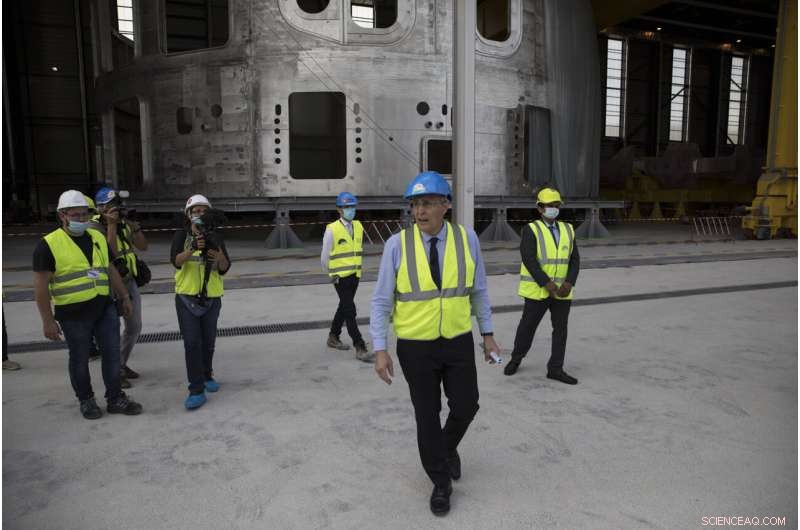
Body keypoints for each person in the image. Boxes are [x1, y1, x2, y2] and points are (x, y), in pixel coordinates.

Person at [371, 171, 500, 516]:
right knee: (427, 414)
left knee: (466, 405)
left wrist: (486, 334)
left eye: (427, 203)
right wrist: (380, 348)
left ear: (446, 205)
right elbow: (382, 300)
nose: (420, 211)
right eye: (415, 204)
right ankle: (440, 482)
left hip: (457, 340)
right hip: (415, 346)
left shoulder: (466, 238)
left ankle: (444, 448)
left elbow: (479, 289)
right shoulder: (397, 245)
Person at [32, 190, 143, 419]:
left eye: (84, 214)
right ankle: (86, 400)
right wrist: (47, 320)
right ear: (62, 215)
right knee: (79, 358)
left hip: (104, 307)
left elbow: (109, 269)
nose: (81, 219)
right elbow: (41, 287)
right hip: (73, 314)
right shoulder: (48, 245)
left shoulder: (97, 237)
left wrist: (124, 297)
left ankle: (115, 398)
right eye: (75, 215)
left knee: (112, 356)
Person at [503, 187, 580, 384]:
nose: (554, 209)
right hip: (538, 291)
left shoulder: (568, 230)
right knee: (527, 327)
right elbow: (529, 260)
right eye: (549, 206)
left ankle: (555, 368)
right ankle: (516, 358)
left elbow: (574, 260)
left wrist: (569, 283)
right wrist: (547, 284)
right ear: (539, 208)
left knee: (560, 330)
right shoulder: (531, 230)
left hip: (562, 292)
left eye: (556, 205)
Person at [171, 194, 231, 410]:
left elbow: (224, 267)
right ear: (188, 214)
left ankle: (207, 375)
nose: (199, 214)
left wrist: (218, 256)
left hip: (212, 296)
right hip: (187, 296)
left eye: (203, 210)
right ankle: (196, 389)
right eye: (195, 211)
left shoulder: (217, 237)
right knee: (192, 343)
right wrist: (192, 249)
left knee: (208, 341)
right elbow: (175, 262)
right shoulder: (182, 235)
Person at [91, 187, 148, 388]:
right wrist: (111, 226)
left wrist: (135, 226)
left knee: (134, 326)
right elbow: (109, 254)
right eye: (111, 206)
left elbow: (143, 246)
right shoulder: (94, 227)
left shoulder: (124, 224)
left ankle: (121, 364)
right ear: (101, 208)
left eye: (118, 205)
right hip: (108, 284)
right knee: (111, 330)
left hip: (128, 281)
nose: (117, 209)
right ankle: (114, 371)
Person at [320, 192, 373, 362]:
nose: (350, 210)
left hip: (355, 275)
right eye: (346, 207)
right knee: (350, 310)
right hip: (339, 277)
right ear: (339, 210)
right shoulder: (332, 229)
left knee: (344, 307)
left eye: (352, 206)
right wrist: (331, 273)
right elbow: (324, 256)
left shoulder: (358, 226)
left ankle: (333, 337)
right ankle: (360, 346)